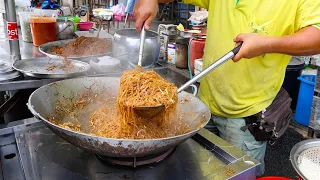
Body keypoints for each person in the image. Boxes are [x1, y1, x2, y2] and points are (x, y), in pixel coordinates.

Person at [134, 0, 320, 176]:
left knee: (238, 175)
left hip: (246, 117)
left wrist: (266, 44)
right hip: (205, 105)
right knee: (199, 170)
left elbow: (316, 37)